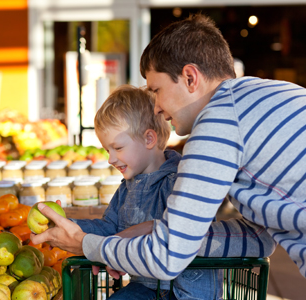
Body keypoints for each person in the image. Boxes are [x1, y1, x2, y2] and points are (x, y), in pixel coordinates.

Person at [32, 13, 294, 283]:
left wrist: (87, 244)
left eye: (156, 90)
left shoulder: (219, 121)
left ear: (190, 78)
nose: (156, 106)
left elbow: (165, 259)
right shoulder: (272, 95)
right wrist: (160, 230)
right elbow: (259, 239)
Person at [68, 85, 223, 299]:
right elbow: (109, 227)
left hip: (184, 291)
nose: (110, 158)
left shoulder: (179, 182)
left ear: (149, 139)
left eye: (118, 148)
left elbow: (180, 233)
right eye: (107, 150)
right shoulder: (127, 187)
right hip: (148, 285)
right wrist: (71, 227)